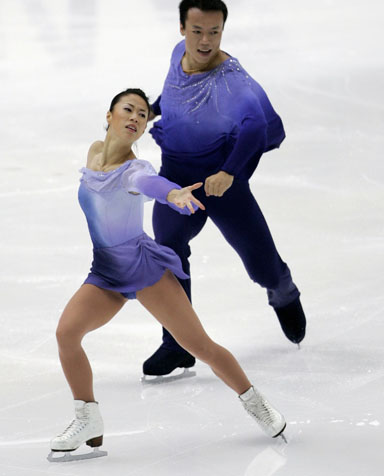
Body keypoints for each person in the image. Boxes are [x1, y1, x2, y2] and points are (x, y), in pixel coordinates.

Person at [48, 88, 286, 461]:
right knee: (66, 334)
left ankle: (255, 402)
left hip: (143, 269)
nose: (135, 118)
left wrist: (172, 194)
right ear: (109, 115)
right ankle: (88, 417)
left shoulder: (134, 170)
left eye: (143, 115)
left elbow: (149, 184)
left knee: (199, 346)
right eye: (128, 110)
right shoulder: (94, 152)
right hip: (105, 271)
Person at [143, 0, 307, 378]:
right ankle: (177, 344)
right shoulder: (176, 55)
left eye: (214, 32)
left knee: (262, 266)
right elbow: (177, 94)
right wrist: (153, 109)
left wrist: (229, 172)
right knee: (168, 254)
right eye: (197, 30)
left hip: (222, 183)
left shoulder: (233, 80)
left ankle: (282, 289)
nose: (205, 41)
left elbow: (254, 128)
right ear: (182, 28)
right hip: (176, 180)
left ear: (222, 31)